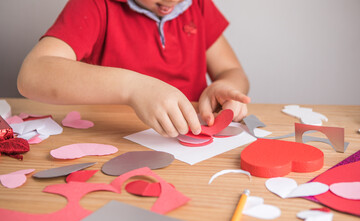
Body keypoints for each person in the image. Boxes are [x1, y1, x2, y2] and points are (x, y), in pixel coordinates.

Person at [17, 0, 250, 138]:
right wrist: (133, 88)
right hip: (116, 141)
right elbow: (32, 74)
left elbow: (232, 71)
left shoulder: (197, 5)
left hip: (190, 145)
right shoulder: (95, 5)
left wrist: (224, 87)